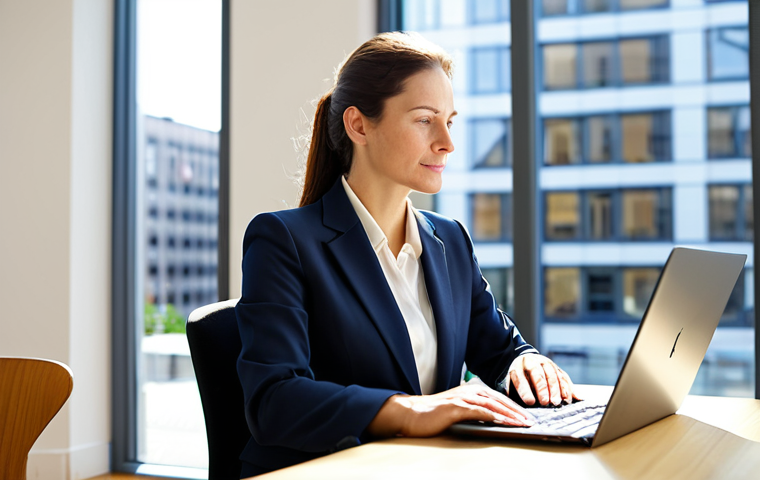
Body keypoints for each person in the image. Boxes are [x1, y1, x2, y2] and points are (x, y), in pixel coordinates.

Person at [235, 31, 579, 477]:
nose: (446, 143)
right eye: (424, 120)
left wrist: (525, 362)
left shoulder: (449, 239)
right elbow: (274, 400)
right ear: (359, 125)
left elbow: (500, 349)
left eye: (450, 122)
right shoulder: (283, 240)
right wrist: (410, 411)